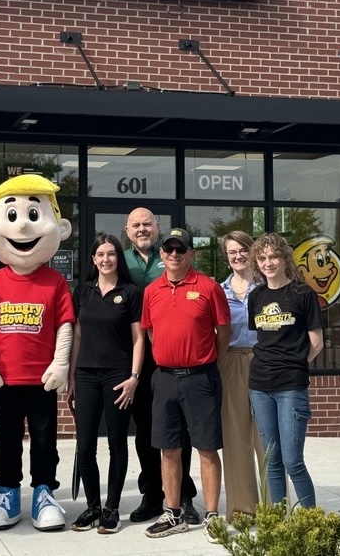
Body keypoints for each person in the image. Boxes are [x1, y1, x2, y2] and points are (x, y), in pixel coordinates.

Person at [0, 174, 75, 531]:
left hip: (42, 378)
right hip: (5, 378)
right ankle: (7, 493)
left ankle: (44, 492)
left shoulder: (55, 281)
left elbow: (65, 324)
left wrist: (61, 363)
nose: (22, 229)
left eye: (34, 216)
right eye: (13, 218)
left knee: (46, 438)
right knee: (6, 438)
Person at [140, 228, 231, 543]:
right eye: (169, 250)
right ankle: (174, 513)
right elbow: (151, 331)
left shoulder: (208, 288)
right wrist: (170, 356)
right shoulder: (152, 291)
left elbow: (224, 331)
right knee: (169, 449)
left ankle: (211, 516)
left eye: (181, 250)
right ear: (162, 254)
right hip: (165, 378)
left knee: (206, 447)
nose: (174, 255)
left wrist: (204, 363)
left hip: (200, 378)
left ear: (192, 254)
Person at [123, 208, 199, 525]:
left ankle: (183, 496)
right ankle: (152, 493)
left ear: (158, 227)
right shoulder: (120, 259)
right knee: (145, 431)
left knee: (180, 429)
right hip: (133, 356)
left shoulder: (170, 254)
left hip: (169, 356)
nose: (142, 229)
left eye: (148, 224)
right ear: (127, 231)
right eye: (136, 225)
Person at [67, 234, 144, 535]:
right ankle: (93, 506)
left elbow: (139, 339)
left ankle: (112, 508)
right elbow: (78, 337)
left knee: (116, 444)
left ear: (118, 258)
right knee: (85, 445)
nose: (106, 259)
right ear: (93, 259)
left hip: (118, 377)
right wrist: (72, 377)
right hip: (86, 375)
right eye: (100, 254)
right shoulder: (83, 291)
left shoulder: (131, 292)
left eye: (111, 254)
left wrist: (134, 378)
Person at [248, 232, 323, 508]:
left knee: (293, 460)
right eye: (263, 257)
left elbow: (316, 342)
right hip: (259, 386)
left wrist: (293, 364)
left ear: (284, 258)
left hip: (291, 387)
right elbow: (262, 338)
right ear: (257, 261)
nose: (269, 262)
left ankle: (309, 520)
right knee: (272, 459)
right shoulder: (256, 296)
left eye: (274, 256)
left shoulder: (303, 293)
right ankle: (280, 522)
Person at [219, 231, 266, 521]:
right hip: (231, 361)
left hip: (265, 361)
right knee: (235, 437)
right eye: (231, 252)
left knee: (267, 435)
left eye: (242, 250)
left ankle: (275, 508)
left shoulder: (268, 286)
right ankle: (242, 509)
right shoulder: (218, 290)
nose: (238, 256)